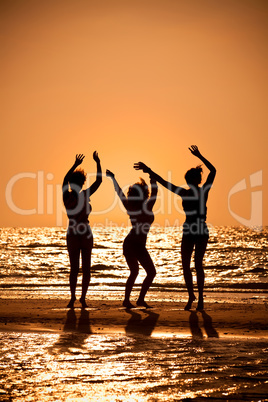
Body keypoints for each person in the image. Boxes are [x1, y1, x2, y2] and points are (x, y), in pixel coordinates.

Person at [134, 145, 216, 311]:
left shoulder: (203, 191)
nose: (189, 182)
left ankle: (200, 300)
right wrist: (149, 170)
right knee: (186, 265)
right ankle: (191, 296)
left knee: (198, 265)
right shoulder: (184, 193)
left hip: (200, 230)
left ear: (196, 181)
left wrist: (200, 156)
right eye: (188, 180)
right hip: (189, 231)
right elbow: (165, 183)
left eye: (191, 179)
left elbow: (213, 171)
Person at [106, 169, 158, 309]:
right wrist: (152, 177)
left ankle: (138, 300)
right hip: (132, 244)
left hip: (136, 244)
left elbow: (120, 193)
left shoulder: (132, 207)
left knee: (148, 272)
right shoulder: (144, 206)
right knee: (139, 272)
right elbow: (155, 193)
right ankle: (129, 300)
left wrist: (113, 178)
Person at [62, 152, 102, 308]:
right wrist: (97, 163)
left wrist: (75, 165)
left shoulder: (69, 195)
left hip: (77, 234)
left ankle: (77, 298)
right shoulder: (80, 195)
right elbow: (98, 181)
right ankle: (78, 298)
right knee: (82, 269)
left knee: (79, 269)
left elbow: (98, 181)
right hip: (81, 234)